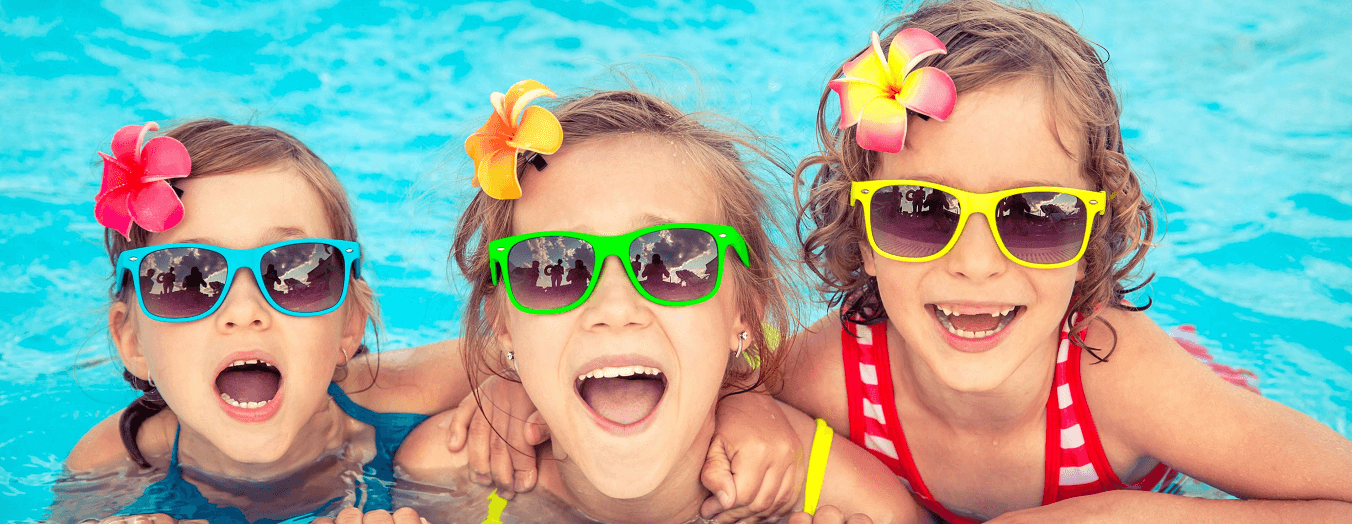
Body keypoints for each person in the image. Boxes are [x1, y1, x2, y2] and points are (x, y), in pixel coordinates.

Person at [774, 0, 1352, 521]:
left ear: (1091, 239)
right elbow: (711, 386)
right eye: (920, 209)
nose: (976, 264)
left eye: (1036, 215)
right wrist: (753, 420)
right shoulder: (836, 374)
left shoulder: (1125, 380)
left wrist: (1127, 517)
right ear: (862, 233)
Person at [395, 88, 925, 524]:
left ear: (744, 313)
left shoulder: (850, 506)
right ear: (503, 328)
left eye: (671, 259)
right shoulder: (447, 479)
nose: (615, 307)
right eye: (553, 266)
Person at [50, 120, 473, 524]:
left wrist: (504, 392)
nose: (244, 311)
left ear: (349, 325)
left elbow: (511, 353)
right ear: (133, 343)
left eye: (294, 271)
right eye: (186, 277)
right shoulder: (108, 465)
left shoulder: (403, 394)